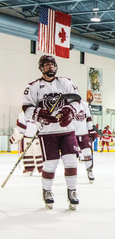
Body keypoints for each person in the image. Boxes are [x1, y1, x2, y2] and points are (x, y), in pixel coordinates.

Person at [22, 55, 81, 210]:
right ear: (41, 68)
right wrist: (38, 114)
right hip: (47, 132)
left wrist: (70, 110)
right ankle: (47, 190)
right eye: (47, 65)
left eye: (52, 64)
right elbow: (26, 108)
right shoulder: (34, 87)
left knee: (71, 161)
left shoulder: (66, 82)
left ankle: (72, 191)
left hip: (67, 130)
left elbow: (77, 100)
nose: (50, 67)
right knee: (51, 163)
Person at [10, 111, 43, 175]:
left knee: (39, 152)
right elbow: (22, 122)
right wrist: (20, 132)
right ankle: (29, 168)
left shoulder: (41, 109)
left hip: (38, 136)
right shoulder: (24, 111)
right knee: (28, 153)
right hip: (27, 136)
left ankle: (41, 168)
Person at [73, 100, 97, 183]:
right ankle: (71, 175)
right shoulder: (66, 103)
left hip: (83, 133)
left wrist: (91, 129)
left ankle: (89, 171)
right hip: (71, 134)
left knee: (87, 153)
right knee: (71, 157)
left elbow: (88, 118)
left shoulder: (84, 104)